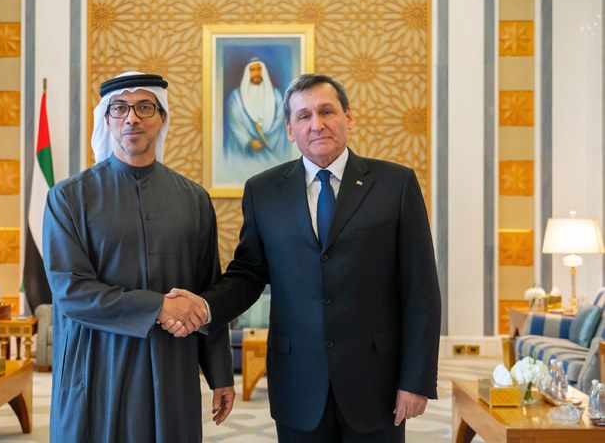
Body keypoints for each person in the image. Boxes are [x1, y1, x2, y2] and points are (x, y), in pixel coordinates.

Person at [167, 73, 441, 442]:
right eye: (304, 116)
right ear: (290, 129)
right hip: (297, 382)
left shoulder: (396, 184)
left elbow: (421, 290)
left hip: (376, 380)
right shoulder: (263, 191)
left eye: (327, 111)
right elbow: (248, 274)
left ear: (348, 117)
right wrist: (203, 306)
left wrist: (416, 380)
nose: (317, 124)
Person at [42, 72, 235, 442]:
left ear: (162, 118)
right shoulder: (68, 198)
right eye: (120, 108)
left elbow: (207, 289)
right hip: (97, 365)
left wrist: (220, 373)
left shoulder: (194, 199)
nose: (132, 118)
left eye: (145, 107)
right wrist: (159, 307)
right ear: (107, 119)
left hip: (171, 364)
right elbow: (71, 291)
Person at [224, 58, 289, 163]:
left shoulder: (276, 95)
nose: (256, 73)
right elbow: (235, 124)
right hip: (245, 154)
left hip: (270, 149)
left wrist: (266, 138)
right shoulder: (236, 97)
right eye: (252, 70)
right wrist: (248, 142)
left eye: (259, 69)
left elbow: (279, 121)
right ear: (248, 73)